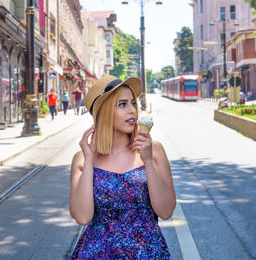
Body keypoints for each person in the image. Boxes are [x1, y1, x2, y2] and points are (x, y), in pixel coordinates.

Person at [69, 75, 176, 259]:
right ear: (104, 112)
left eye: (133, 103)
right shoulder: (82, 159)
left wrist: (148, 161)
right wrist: (89, 160)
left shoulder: (153, 150)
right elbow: (82, 217)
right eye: (122, 104)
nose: (132, 110)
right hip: (97, 253)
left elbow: (165, 212)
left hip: (147, 252)